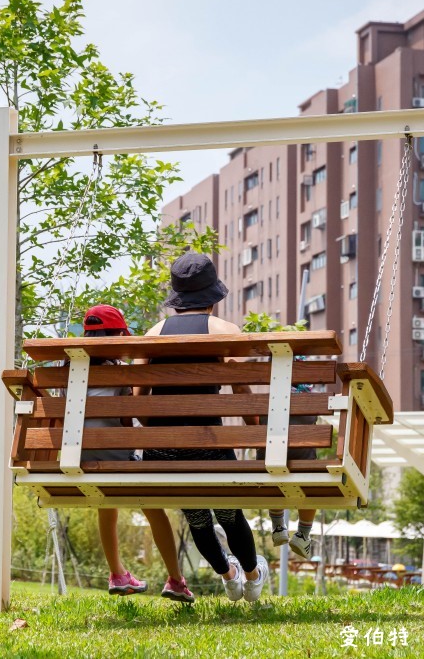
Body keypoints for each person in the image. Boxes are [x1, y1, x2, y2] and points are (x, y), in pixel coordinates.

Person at [135, 253, 269, 603]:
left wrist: (160, 436)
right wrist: (256, 435)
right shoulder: (226, 331)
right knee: (226, 511)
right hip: (210, 446)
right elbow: (242, 392)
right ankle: (252, 576)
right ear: (212, 296)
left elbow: (136, 398)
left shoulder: (151, 335)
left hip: (161, 454)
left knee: (196, 512)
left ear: (177, 299)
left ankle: (228, 575)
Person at [76, 304, 194, 603]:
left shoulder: (68, 371)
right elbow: (129, 422)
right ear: (116, 335)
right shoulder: (118, 372)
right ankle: (176, 580)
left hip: (80, 461)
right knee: (153, 505)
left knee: (107, 500)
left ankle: (117, 573)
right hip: (116, 462)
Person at [256, 355, 318, 559]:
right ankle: (303, 534)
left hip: (267, 468)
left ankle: (278, 526)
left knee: (272, 466)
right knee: (312, 478)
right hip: (303, 467)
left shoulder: (266, 402)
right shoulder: (311, 404)